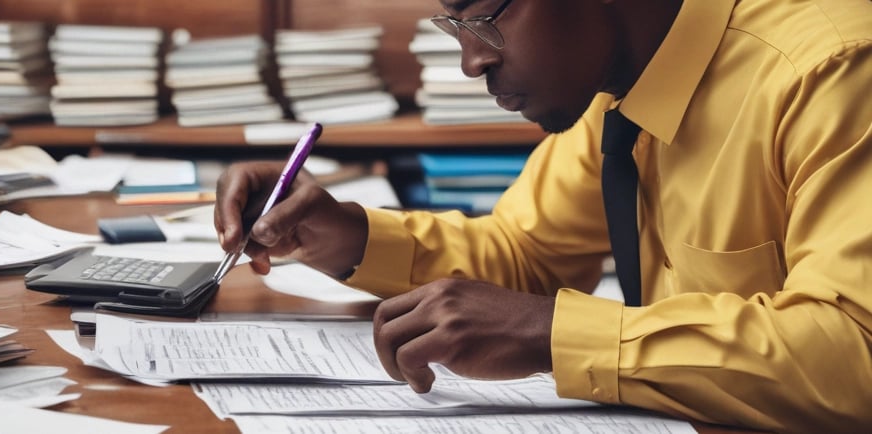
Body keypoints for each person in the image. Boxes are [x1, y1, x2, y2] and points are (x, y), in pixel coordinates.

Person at [214, 0, 872, 432]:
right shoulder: (618, 83)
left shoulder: (831, 68)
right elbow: (526, 254)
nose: (473, 62)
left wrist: (555, 333)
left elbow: (854, 349)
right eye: (457, 27)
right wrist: (347, 234)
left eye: (485, 17)